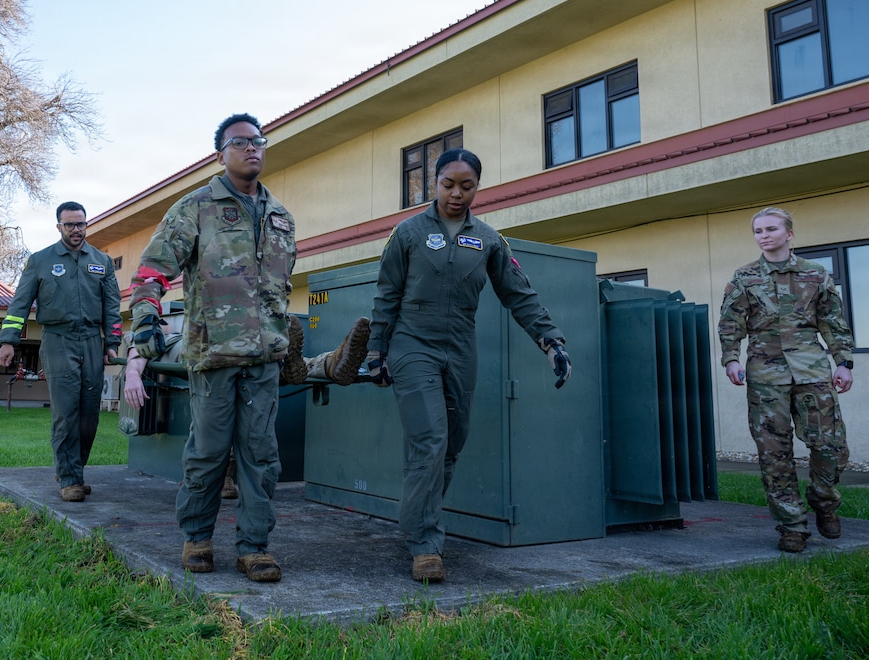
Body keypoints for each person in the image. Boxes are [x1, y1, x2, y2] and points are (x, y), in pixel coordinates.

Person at [366, 147, 572, 583]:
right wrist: (377, 351)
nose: (456, 194)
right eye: (448, 184)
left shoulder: (491, 240)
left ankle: (419, 516)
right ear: (434, 184)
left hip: (460, 346)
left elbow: (519, 294)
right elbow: (386, 295)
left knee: (452, 444)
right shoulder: (407, 233)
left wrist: (550, 341)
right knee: (430, 439)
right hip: (412, 342)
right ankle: (424, 543)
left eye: (467, 186)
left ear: (478, 187)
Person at [128, 113, 298, 583]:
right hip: (213, 356)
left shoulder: (281, 217)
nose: (252, 148)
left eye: (258, 141)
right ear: (219, 154)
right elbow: (150, 275)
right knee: (206, 452)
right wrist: (145, 323)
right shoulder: (195, 208)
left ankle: (254, 548)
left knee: (261, 456)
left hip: (264, 361)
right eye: (240, 142)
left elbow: (279, 293)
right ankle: (198, 537)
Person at [718, 207, 854, 554]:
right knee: (773, 454)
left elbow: (833, 321)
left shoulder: (816, 274)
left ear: (789, 234)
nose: (764, 235)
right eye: (758, 230)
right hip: (766, 376)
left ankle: (824, 502)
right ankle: (792, 525)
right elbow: (730, 323)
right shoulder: (744, 277)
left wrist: (843, 362)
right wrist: (731, 358)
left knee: (830, 447)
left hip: (812, 371)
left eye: (771, 229)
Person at [120, 315, 371, 498]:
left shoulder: (188, 322)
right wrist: (132, 374)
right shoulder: (155, 335)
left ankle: (327, 364)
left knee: (257, 371)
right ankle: (313, 363)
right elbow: (139, 350)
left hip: (222, 352)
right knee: (256, 371)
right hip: (196, 353)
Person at [0, 201, 123, 502]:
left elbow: (112, 307)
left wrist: (112, 343)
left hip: (92, 340)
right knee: (67, 410)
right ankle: (69, 478)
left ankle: (74, 469)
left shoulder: (102, 261)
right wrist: (8, 340)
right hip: (58, 339)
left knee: (90, 413)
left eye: (80, 223)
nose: (76, 230)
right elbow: (20, 304)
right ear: (59, 227)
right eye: (69, 224)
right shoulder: (40, 260)